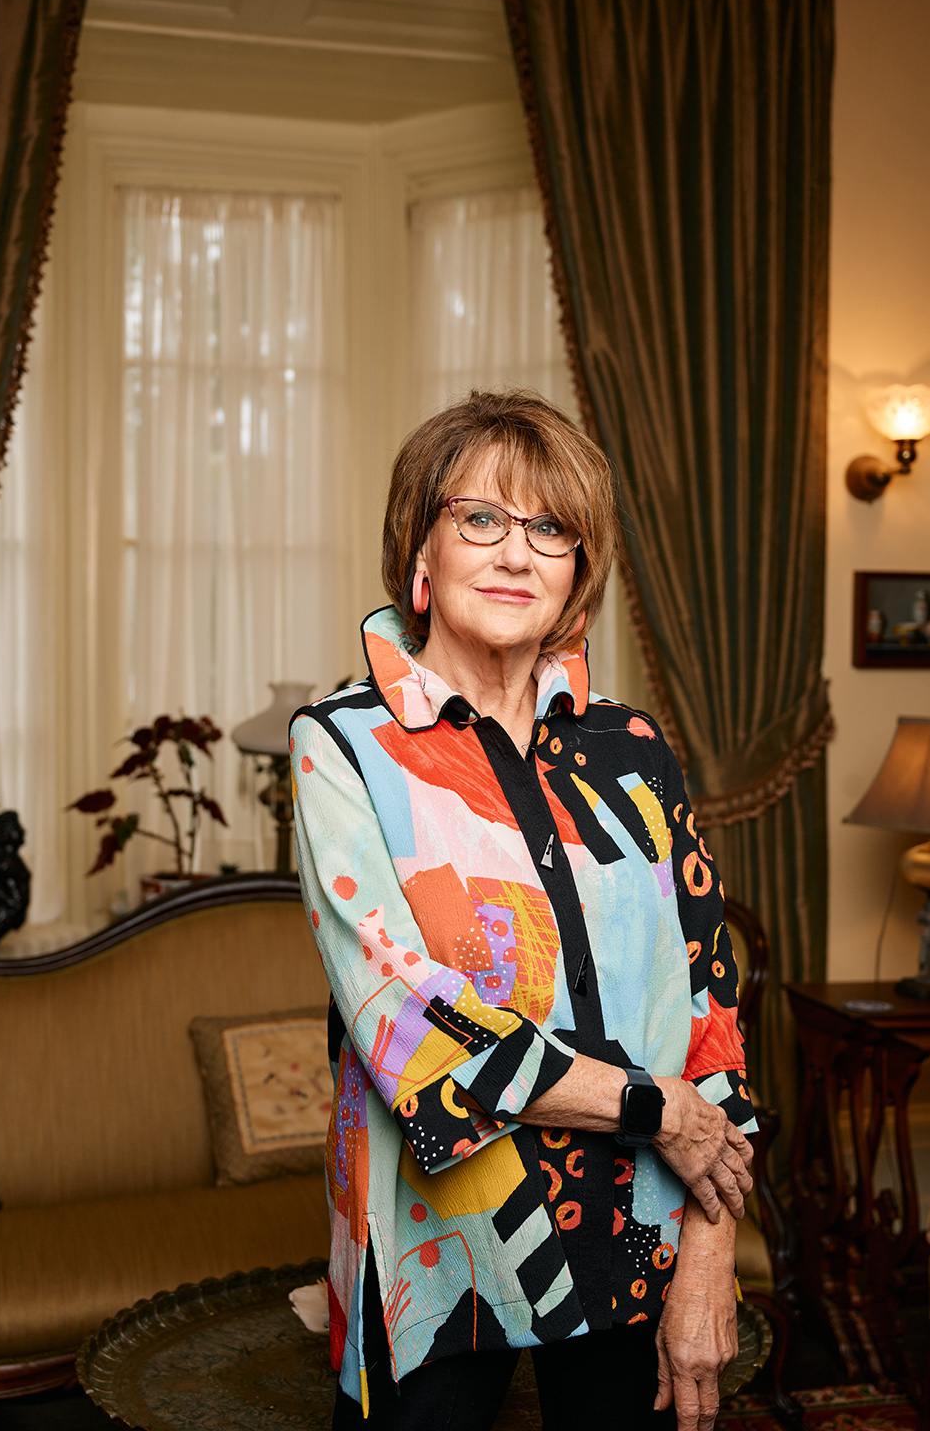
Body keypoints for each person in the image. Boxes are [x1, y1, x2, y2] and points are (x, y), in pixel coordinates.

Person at [291, 392, 757, 1431]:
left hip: (644, 1229)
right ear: (421, 547)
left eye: (551, 529)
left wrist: (711, 1253)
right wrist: (661, 1111)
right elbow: (414, 1026)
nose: (516, 554)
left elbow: (709, 1004)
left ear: (579, 573)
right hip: (440, 1251)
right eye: (481, 520)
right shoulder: (345, 747)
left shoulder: (632, 748)